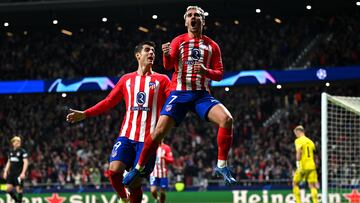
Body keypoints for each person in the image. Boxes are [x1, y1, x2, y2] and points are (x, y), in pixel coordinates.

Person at [124, 5, 237, 186]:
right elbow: (168, 66)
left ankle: (222, 165)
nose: (193, 18)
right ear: (186, 21)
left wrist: (206, 71)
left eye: (197, 15)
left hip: (201, 95)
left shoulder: (212, 45)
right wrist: (165, 54)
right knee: (158, 133)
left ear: (203, 21)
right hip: (179, 93)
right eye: (190, 15)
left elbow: (220, 74)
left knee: (227, 119)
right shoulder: (178, 41)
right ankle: (138, 168)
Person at [66, 41, 170, 203]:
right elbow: (108, 101)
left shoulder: (162, 79)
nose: (152, 53)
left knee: (134, 182)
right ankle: (123, 199)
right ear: (138, 55)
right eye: (148, 50)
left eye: (153, 51)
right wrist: (85, 114)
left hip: (148, 141)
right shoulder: (126, 80)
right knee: (113, 171)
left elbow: (173, 100)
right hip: (126, 136)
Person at [292, 125, 318, 203]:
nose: (295, 135)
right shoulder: (311, 142)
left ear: (298, 132)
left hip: (303, 166)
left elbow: (299, 152)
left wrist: (297, 163)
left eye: (295, 134)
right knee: (312, 185)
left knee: (295, 183)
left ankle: (298, 201)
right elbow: (314, 155)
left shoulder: (298, 140)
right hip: (312, 166)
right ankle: (315, 202)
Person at [3, 136, 29, 203]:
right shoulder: (10, 152)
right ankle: (17, 201)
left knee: (19, 190)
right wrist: (5, 171)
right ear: (13, 143)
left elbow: (26, 162)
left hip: (19, 174)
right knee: (8, 189)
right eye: (16, 141)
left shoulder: (22, 151)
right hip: (12, 174)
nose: (18, 142)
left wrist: (23, 173)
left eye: (19, 141)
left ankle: (19, 201)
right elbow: (9, 162)